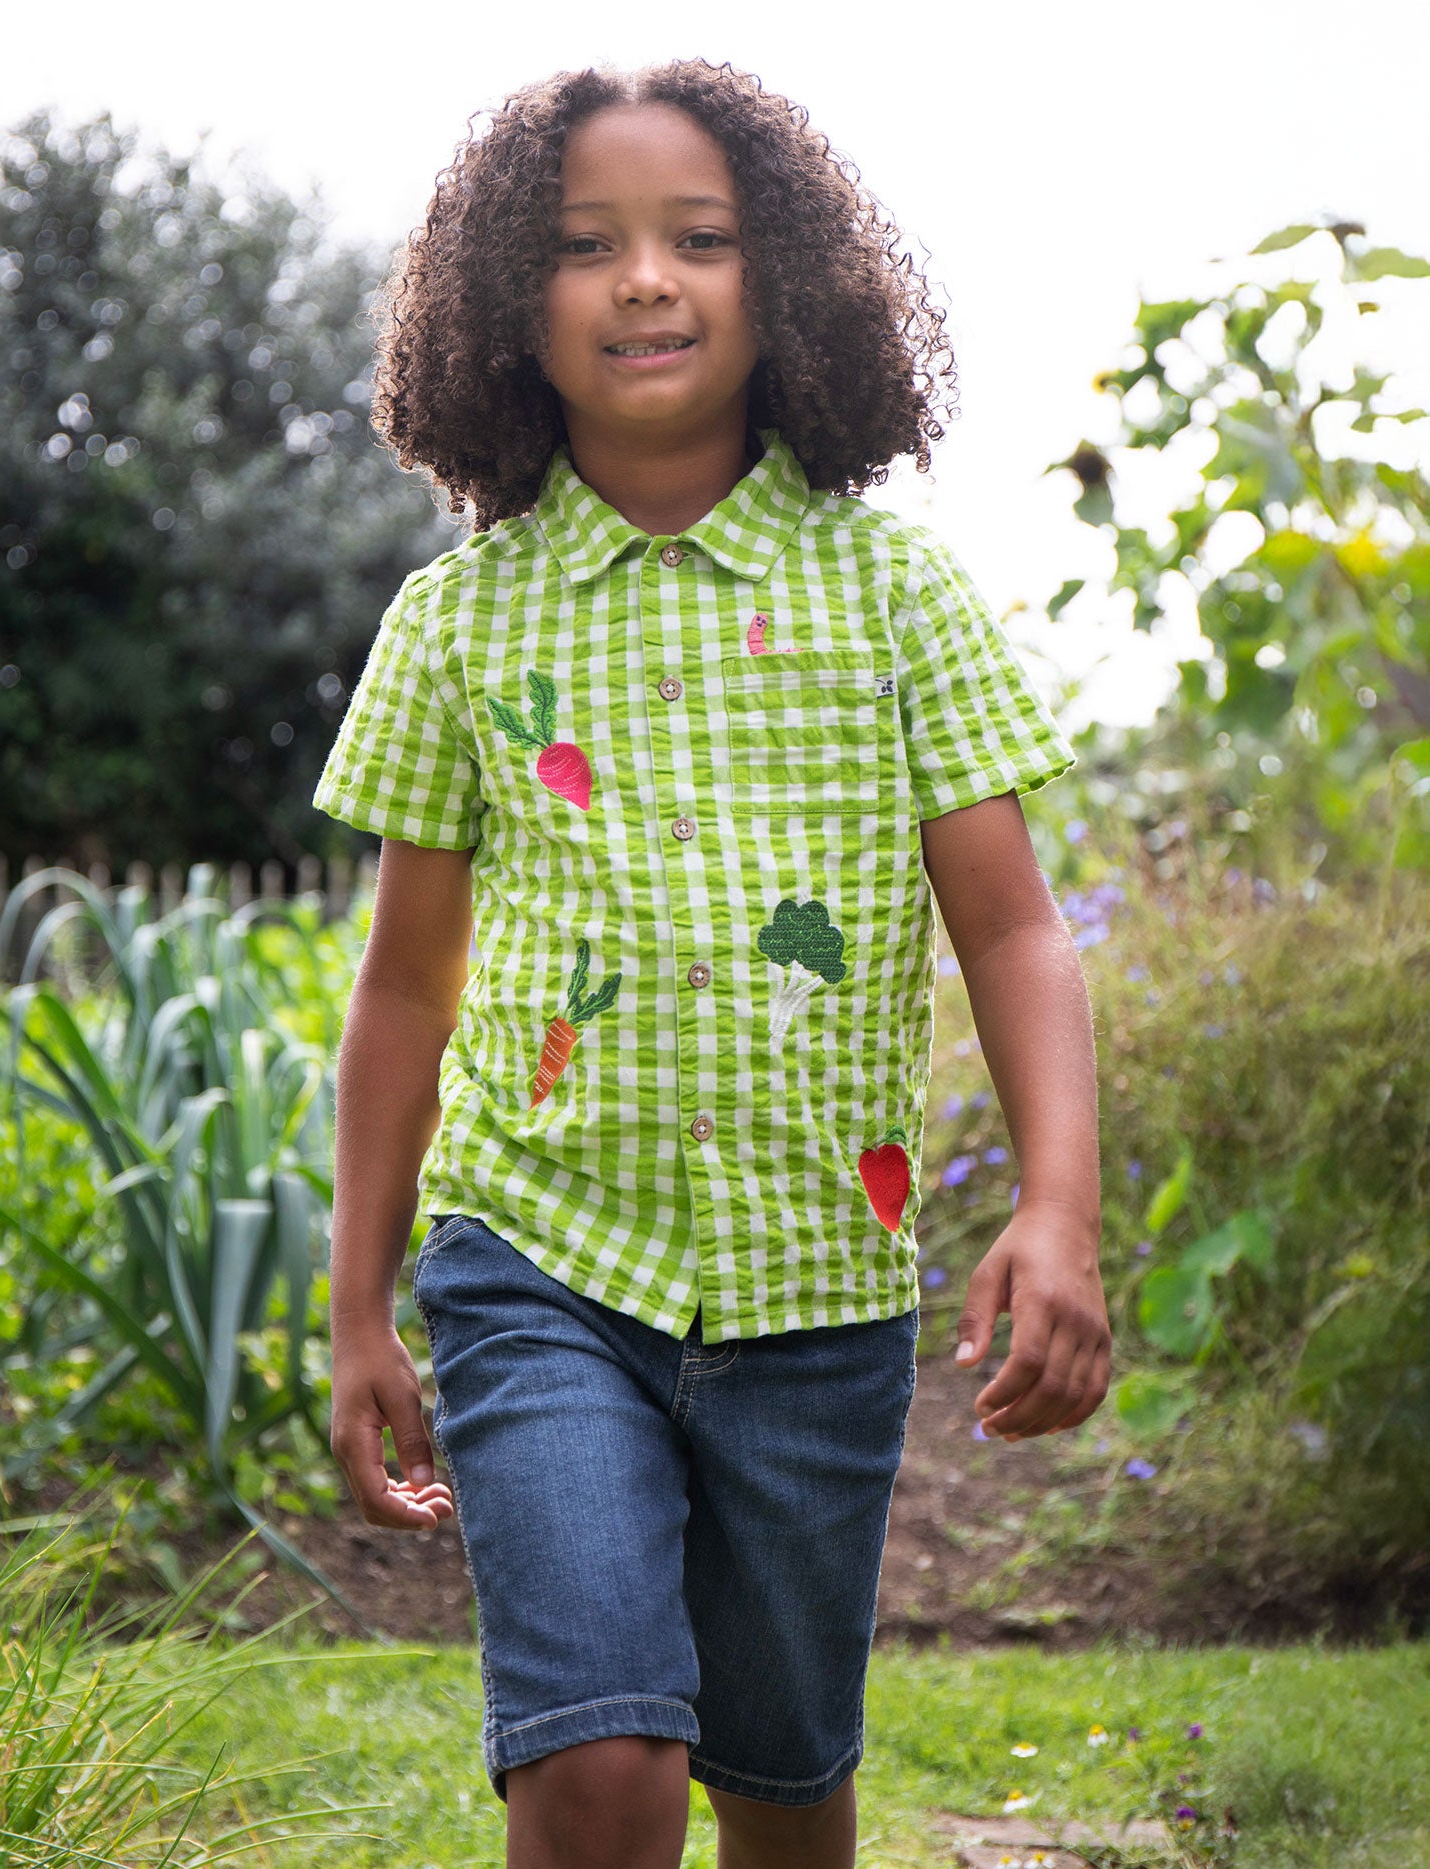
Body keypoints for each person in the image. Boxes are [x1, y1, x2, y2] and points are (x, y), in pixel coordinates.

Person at [315, 57, 1111, 1869]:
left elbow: (1010, 923)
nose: (646, 279)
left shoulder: (894, 591)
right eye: (586, 245)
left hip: (813, 1287)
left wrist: (1055, 1206)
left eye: (699, 239)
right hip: (536, 1260)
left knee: (778, 1784)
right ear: (511, 302)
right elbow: (403, 986)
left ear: (791, 285)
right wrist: (361, 1303)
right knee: (602, 1769)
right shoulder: (457, 620)